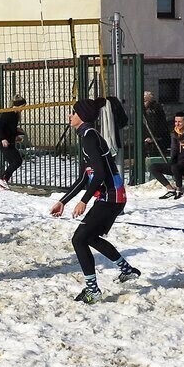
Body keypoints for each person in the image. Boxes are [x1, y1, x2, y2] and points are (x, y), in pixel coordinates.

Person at [49, 98, 141, 304]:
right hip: (113, 197)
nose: (69, 116)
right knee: (89, 238)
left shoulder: (90, 137)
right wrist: (63, 201)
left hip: (111, 198)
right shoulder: (88, 136)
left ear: (81, 116)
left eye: (72, 113)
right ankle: (127, 270)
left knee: (79, 239)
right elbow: (84, 177)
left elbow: (99, 173)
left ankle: (93, 290)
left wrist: (84, 200)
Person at [150, 112, 184, 199]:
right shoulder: (174, 133)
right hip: (178, 163)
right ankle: (171, 190)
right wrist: (171, 161)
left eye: (180, 122)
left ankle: (180, 190)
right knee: (153, 167)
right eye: (175, 121)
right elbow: (174, 149)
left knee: (176, 167)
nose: (177, 124)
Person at [0, 94, 27, 190]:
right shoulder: (8, 113)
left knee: (14, 162)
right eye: (22, 107)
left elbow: (10, 129)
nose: (22, 109)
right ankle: (2, 179)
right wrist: (3, 138)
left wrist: (17, 135)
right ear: (17, 106)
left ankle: (2, 184)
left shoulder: (15, 115)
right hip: (4, 143)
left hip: (10, 142)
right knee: (17, 161)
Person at [143, 91, 170, 157]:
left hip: (155, 138)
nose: (143, 103)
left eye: (144, 101)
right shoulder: (154, 109)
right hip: (157, 137)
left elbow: (153, 126)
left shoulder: (152, 111)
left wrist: (152, 137)